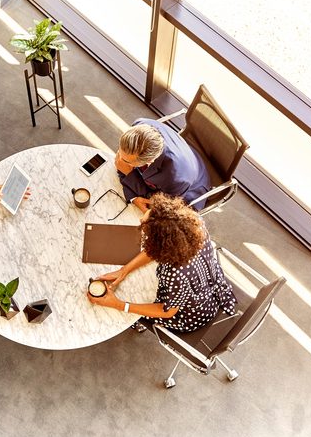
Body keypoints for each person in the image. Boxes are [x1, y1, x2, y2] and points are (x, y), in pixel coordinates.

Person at [88, 193, 236, 333]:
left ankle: (137, 323)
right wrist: (124, 270)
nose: (141, 221)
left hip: (190, 315)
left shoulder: (175, 274)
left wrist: (119, 305)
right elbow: (163, 247)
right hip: (209, 283)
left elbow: (167, 311)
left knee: (121, 307)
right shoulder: (192, 223)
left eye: (145, 226)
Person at [115, 119, 210, 212]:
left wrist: (128, 173)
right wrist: (133, 197)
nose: (119, 159)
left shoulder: (176, 178)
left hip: (189, 193)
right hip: (184, 154)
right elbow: (121, 166)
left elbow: (159, 203)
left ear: (150, 161)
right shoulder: (140, 125)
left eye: (126, 161)